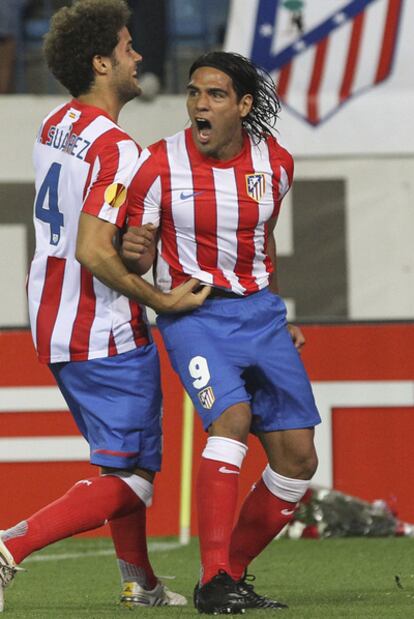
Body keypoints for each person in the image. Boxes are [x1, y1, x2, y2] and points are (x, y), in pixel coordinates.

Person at [0, 0, 210, 613]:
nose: (137, 55)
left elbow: (84, 229)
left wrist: (131, 245)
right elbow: (96, 250)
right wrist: (159, 296)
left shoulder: (56, 123)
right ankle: (11, 546)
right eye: (126, 47)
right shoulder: (121, 151)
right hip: (102, 324)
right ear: (100, 63)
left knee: (118, 462)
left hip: (51, 315)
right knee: (134, 481)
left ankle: (139, 583)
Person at [122, 51, 321, 614]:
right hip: (196, 316)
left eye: (213, 95)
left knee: (299, 458)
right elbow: (134, 253)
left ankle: (227, 575)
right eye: (193, 94)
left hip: (260, 315)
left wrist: (281, 311)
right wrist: (133, 253)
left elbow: (263, 239)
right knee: (231, 417)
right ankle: (214, 578)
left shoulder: (275, 164)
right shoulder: (158, 164)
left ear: (243, 105)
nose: (198, 106)